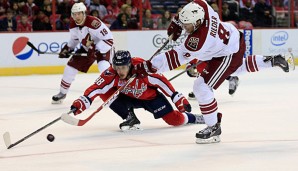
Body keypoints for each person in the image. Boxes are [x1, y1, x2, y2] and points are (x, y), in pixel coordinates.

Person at [133, 0, 295, 143]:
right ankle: (273, 60)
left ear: (197, 23)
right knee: (236, 68)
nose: (185, 27)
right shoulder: (202, 7)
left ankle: (213, 127)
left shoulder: (198, 41)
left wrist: (148, 67)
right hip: (230, 40)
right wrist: (177, 22)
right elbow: (192, 5)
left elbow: (175, 58)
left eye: (187, 25)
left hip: (227, 53)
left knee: (201, 87)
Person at [70, 50, 206, 131]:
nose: (120, 71)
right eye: (117, 67)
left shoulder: (142, 68)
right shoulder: (111, 73)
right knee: (105, 92)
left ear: (129, 64)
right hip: (128, 98)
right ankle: (129, 117)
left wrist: (177, 97)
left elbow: (161, 81)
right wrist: (82, 101)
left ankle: (197, 118)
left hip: (150, 98)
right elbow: (96, 88)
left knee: (174, 120)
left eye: (123, 67)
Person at [52, 2, 114, 104]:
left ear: (84, 13)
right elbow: (74, 39)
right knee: (70, 67)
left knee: (104, 67)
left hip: (104, 47)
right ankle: (62, 93)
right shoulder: (73, 24)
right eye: (74, 14)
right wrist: (67, 49)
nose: (77, 16)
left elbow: (109, 39)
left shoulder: (94, 22)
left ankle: (113, 92)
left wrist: (96, 50)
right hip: (87, 48)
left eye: (79, 13)